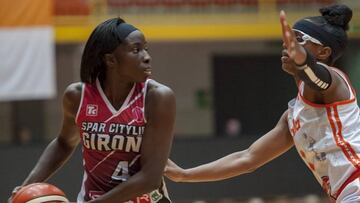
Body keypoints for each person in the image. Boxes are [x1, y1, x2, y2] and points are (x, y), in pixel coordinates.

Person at [165, 4, 359, 203]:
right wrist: (183, 175)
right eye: (288, 38)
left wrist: (302, 61)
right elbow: (247, 159)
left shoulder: (334, 81)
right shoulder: (293, 116)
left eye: (298, 39)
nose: (287, 44)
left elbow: (315, 76)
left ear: (324, 51)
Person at [10, 17, 176, 203]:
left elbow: (150, 179)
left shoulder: (158, 97)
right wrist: (26, 187)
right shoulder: (77, 96)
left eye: (146, 49)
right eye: (136, 50)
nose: (147, 57)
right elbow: (64, 143)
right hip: (92, 197)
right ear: (110, 59)